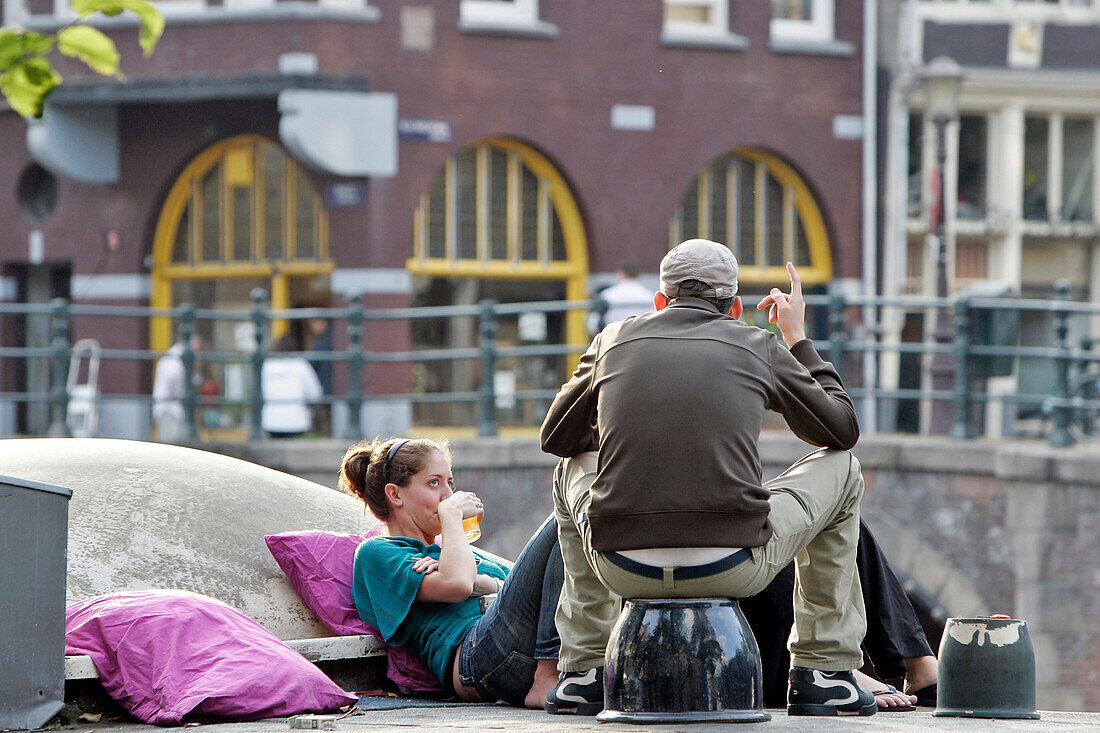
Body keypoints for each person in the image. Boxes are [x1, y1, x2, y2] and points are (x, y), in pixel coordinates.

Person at [540, 238, 878, 717]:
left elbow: (556, 438)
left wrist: (617, 431)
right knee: (843, 470)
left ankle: (584, 671)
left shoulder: (612, 339)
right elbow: (841, 432)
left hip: (619, 564)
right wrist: (797, 338)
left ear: (660, 300)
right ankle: (823, 672)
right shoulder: (758, 343)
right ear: (736, 307)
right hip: (734, 563)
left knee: (568, 470)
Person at [341, 437, 564, 709]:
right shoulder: (377, 552)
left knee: (570, 536)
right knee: (564, 517)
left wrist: (480, 581)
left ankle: (561, 671)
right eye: (434, 483)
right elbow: (457, 584)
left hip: (513, 648)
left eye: (449, 483)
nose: (448, 495)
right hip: (477, 659)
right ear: (395, 494)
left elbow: (530, 586)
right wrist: (450, 517)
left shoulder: (455, 556)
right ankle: (546, 676)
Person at [261, 332, 322, 438]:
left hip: (270, 421)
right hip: (297, 422)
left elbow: (261, 390)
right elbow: (315, 393)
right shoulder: (301, 365)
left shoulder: (267, 365)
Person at [152, 334, 201, 443]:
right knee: (170, 445)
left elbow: (196, 381)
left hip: (180, 411)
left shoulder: (188, 358)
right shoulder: (172, 359)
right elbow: (175, 383)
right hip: (168, 409)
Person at [587, 262, 653, 334]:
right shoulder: (649, 296)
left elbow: (593, 325)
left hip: (614, 339)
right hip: (641, 338)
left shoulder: (607, 295)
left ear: (620, 273)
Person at [307, 317, 334, 435]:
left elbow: (313, 365)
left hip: (323, 383)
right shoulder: (335, 338)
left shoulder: (321, 342)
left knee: (324, 415)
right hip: (333, 384)